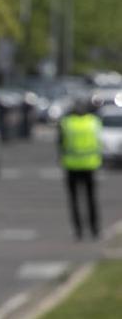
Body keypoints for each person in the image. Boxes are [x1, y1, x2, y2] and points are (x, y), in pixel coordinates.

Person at [59, 98, 102, 241]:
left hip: (72, 165)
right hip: (90, 164)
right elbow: (99, 141)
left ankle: (78, 230)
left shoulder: (67, 123)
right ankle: (95, 229)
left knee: (74, 200)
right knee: (91, 199)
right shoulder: (93, 122)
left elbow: (60, 144)